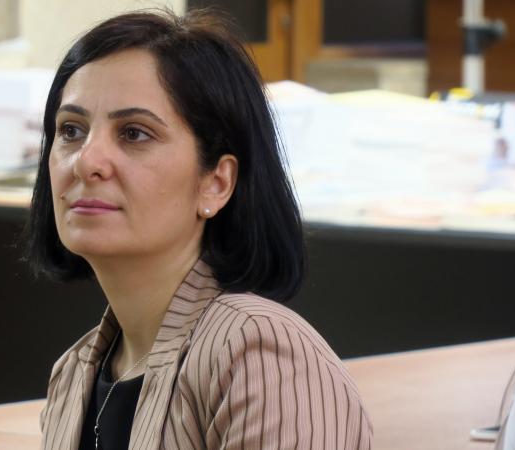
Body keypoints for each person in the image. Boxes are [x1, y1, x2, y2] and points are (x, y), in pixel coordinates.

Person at [25, 8, 372, 450]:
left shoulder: (257, 352)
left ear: (216, 183)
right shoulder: (73, 373)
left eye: (134, 134)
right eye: (71, 130)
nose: (86, 161)